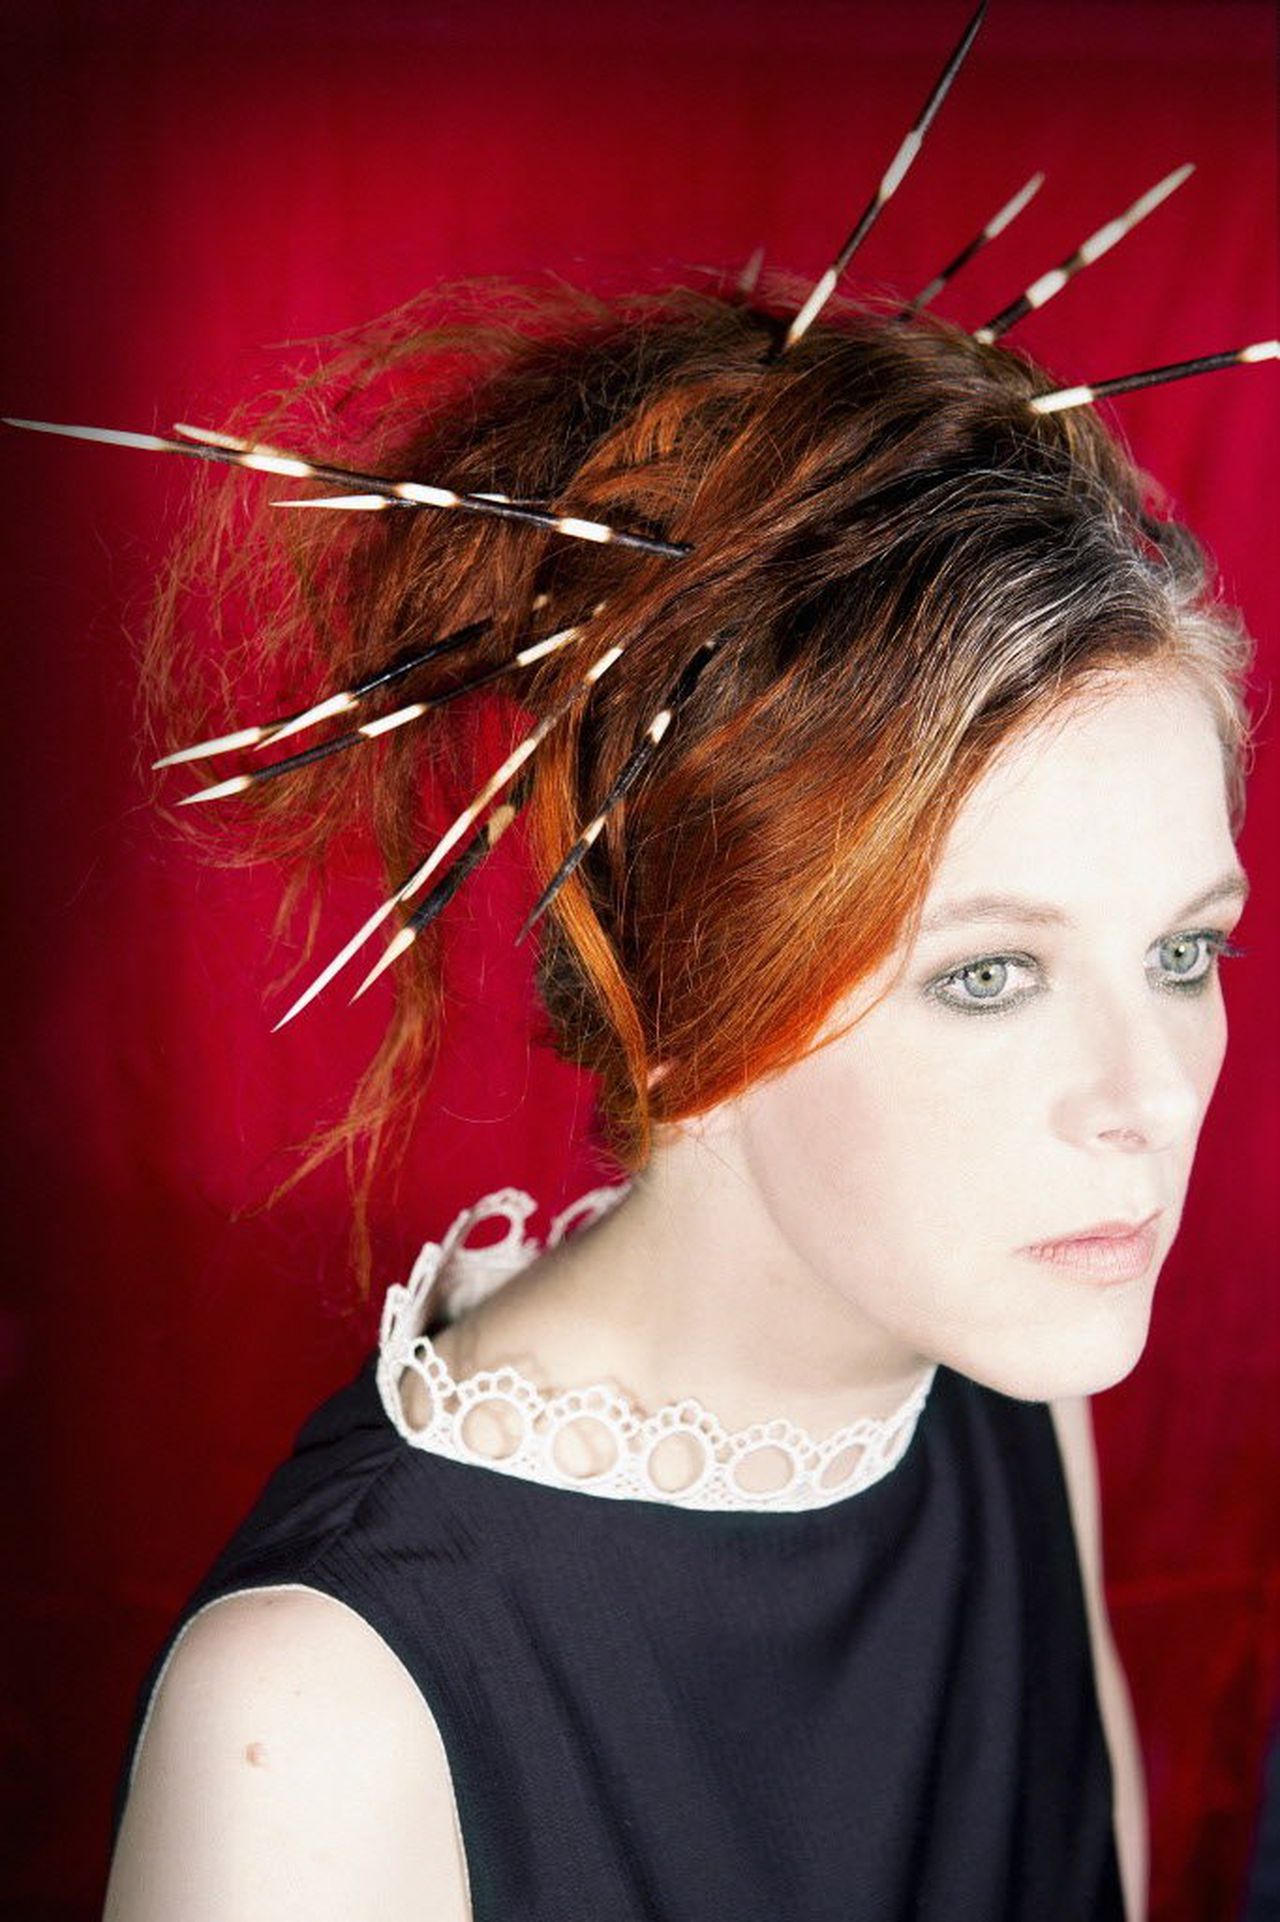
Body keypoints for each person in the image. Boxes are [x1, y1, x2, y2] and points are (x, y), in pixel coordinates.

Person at [88, 273, 1262, 1922]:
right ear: (679, 999)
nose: (1149, 1096)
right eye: (990, 973)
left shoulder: (1009, 1386)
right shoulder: (316, 1725)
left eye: (1184, 951)